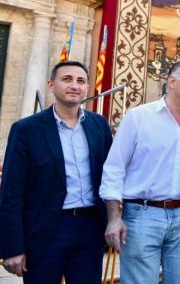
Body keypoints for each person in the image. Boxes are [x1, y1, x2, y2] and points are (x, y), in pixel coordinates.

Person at [99, 59, 180, 284]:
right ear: (171, 81)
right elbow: (114, 167)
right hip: (142, 215)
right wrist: (114, 217)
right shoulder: (139, 117)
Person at [0, 61, 113, 283]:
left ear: (87, 88)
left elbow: (111, 176)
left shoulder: (99, 125)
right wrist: (12, 247)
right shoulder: (26, 130)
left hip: (89, 229)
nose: (74, 86)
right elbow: (11, 193)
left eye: (81, 81)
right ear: (51, 85)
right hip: (45, 231)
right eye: (67, 79)